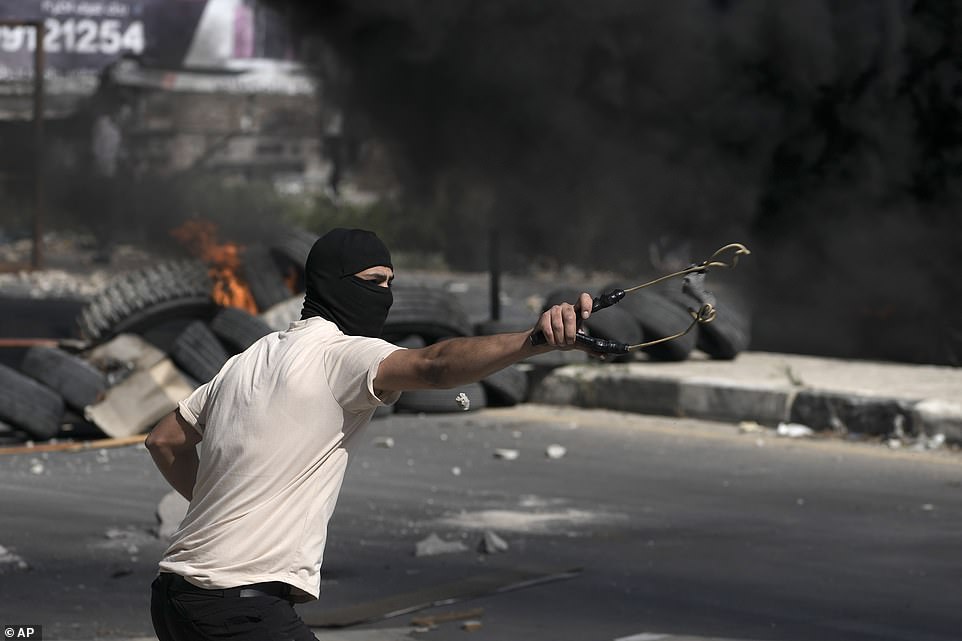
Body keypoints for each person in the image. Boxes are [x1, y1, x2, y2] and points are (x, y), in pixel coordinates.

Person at [145, 228, 596, 641]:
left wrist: (226, 508)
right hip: (237, 608)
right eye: (374, 281)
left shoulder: (248, 358)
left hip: (174, 598)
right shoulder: (341, 355)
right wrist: (534, 340)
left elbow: (163, 440)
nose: (386, 296)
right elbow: (434, 366)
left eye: (390, 283)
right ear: (333, 281)